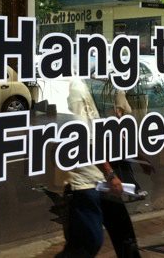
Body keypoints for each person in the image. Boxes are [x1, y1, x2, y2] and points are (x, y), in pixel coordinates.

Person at [57, 77, 140, 258]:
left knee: (124, 237)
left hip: (101, 178)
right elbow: (86, 140)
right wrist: (110, 174)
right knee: (88, 243)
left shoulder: (101, 87)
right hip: (86, 181)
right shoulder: (78, 88)